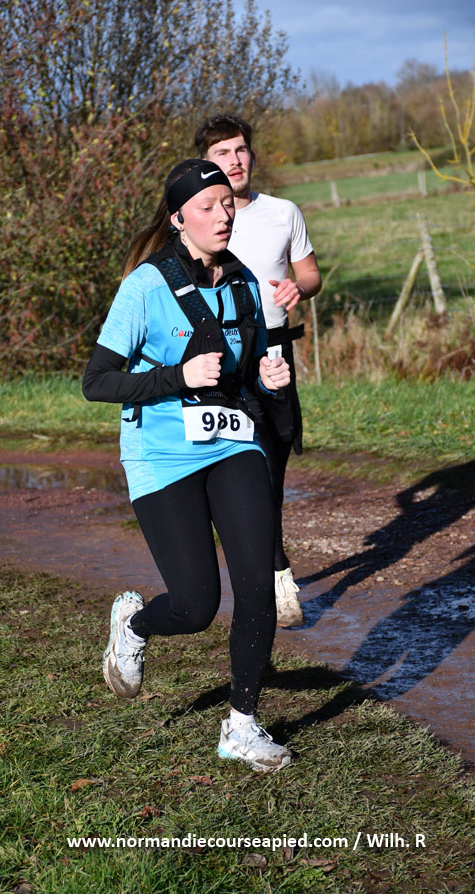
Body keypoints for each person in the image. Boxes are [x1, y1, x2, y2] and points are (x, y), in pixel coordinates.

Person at [83, 159, 294, 772]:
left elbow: (247, 371)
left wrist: (269, 379)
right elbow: (97, 382)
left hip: (233, 443)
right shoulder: (145, 287)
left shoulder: (244, 281)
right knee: (196, 605)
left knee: (256, 584)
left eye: (227, 203)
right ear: (178, 219)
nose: (223, 215)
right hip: (161, 453)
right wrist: (178, 376)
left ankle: (241, 727)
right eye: (208, 207)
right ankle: (135, 626)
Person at [195, 114, 322, 628]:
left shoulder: (283, 212)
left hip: (274, 355)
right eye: (222, 153)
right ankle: (272, 573)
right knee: (245, 469)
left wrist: (298, 287)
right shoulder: (199, 217)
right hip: (222, 363)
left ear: (252, 154)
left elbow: (310, 273)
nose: (235, 160)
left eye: (241, 149)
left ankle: (268, 568)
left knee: (274, 466)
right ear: (206, 163)